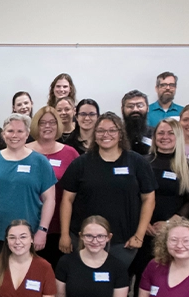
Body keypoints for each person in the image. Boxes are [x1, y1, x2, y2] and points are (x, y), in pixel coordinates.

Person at [59, 113, 155, 270]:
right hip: (83, 240)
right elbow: (67, 200)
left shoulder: (137, 162)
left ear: (120, 134)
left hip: (123, 242)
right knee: (82, 286)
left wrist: (139, 235)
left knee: (116, 287)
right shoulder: (80, 163)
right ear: (94, 134)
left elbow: (149, 199)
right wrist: (64, 235)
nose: (106, 135)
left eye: (112, 130)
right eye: (101, 131)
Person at [0, 112, 56, 266]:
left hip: (28, 235)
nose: (14, 135)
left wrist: (42, 230)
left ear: (27, 134)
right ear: (3, 134)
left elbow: (49, 199)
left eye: (20, 131)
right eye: (10, 131)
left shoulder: (40, 162)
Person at [132, 117, 189, 280]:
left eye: (171, 133)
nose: (165, 137)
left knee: (163, 275)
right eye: (160, 133)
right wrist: (143, 224)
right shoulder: (142, 162)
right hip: (141, 228)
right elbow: (132, 196)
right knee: (138, 271)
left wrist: (171, 223)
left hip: (172, 230)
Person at [29, 106, 81, 268]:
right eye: (43, 122)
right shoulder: (24, 151)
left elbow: (77, 190)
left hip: (59, 225)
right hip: (27, 223)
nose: (47, 126)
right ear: (36, 125)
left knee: (54, 271)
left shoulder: (70, 153)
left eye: (52, 122)